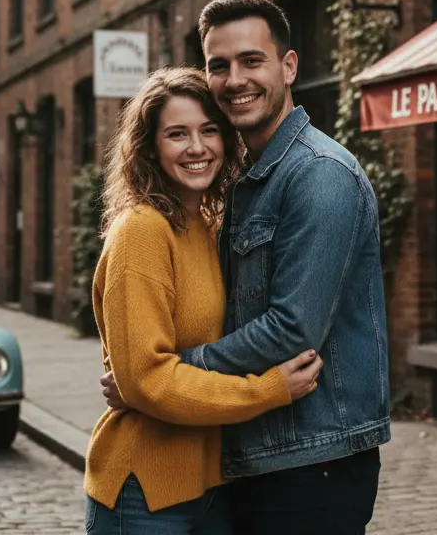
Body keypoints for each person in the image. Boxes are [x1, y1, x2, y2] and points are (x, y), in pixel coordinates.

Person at [101, 0, 391, 534]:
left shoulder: (319, 175)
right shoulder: (238, 191)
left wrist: (164, 375)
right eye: (219, 65)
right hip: (252, 461)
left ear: (288, 66)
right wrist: (146, 378)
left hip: (311, 460)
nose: (235, 79)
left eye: (252, 61)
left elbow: (292, 327)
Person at [84, 66, 324, 534]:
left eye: (209, 130)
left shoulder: (208, 224)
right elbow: (149, 379)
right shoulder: (142, 232)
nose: (197, 148)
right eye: (177, 133)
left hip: (212, 485)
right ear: (150, 147)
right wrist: (268, 391)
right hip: (145, 491)